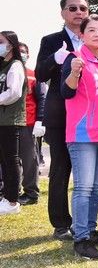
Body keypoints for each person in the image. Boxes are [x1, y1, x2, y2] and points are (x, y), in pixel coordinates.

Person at [60, 14, 98, 259]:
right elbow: (66, 91)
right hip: (83, 134)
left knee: (96, 187)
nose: (97, 33)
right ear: (82, 35)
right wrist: (74, 73)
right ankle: (81, 238)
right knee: (83, 188)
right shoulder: (75, 59)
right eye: (91, 29)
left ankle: (90, 229)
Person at [35, 0, 90, 239]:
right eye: (73, 8)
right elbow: (40, 74)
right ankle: (60, 223)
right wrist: (54, 59)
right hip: (61, 115)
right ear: (63, 13)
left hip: (89, 115)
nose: (78, 12)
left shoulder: (94, 38)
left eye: (83, 8)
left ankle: (86, 222)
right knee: (61, 168)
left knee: (88, 172)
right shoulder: (51, 40)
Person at [0, 31, 27, 215]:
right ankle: (6, 196)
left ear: (11, 44)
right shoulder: (3, 65)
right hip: (2, 119)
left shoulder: (16, 65)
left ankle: (12, 201)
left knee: (11, 160)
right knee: (4, 160)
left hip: (10, 119)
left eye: (1, 42)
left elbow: (14, 92)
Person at [17, 42, 46, 205]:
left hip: (28, 122)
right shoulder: (4, 72)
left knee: (29, 159)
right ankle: (10, 190)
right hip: (7, 123)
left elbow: (42, 98)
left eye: (24, 51)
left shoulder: (34, 74)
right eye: (19, 51)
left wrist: (40, 120)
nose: (22, 54)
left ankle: (31, 192)